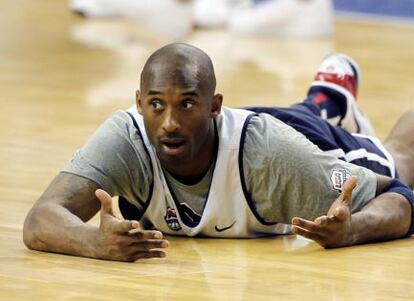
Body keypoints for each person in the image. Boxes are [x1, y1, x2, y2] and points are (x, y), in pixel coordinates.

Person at [23, 43, 414, 262]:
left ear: (214, 106)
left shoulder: (276, 162)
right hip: (259, 134)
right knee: (302, 116)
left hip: (296, 148)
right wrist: (95, 243)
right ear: (139, 104)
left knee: (402, 160)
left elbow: (400, 196)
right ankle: (327, 98)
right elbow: (40, 218)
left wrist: (353, 230)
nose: (170, 122)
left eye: (187, 104)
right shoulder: (125, 139)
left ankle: (327, 107)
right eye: (157, 105)